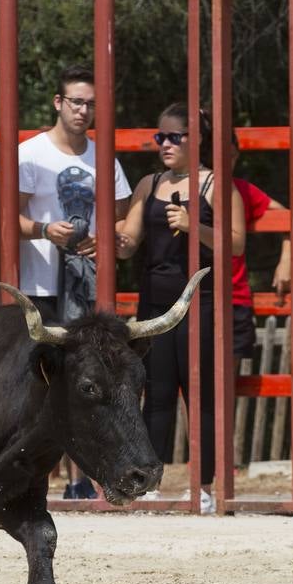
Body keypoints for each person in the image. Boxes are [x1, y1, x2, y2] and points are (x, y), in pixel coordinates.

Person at [117, 103, 246, 515]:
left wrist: (196, 226)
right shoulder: (148, 183)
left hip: (201, 302)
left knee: (201, 396)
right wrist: (107, 236)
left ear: (198, 139)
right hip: (154, 300)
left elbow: (237, 244)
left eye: (175, 137)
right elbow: (129, 242)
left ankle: (204, 485)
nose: (166, 144)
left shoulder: (217, 185)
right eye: (161, 137)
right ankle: (150, 482)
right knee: (154, 395)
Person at [17, 65, 133, 500]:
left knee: (90, 384)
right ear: (58, 103)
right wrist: (45, 231)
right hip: (38, 282)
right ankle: (33, 478)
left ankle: (82, 480)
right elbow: (11, 217)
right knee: (38, 384)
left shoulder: (104, 158)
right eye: (76, 102)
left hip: (86, 287)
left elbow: (121, 217)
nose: (83, 110)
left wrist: (104, 241)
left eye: (90, 104)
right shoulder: (29, 153)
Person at [229, 131, 287, 360]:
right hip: (188, 299)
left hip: (233, 299)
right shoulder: (175, 187)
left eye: (232, 156)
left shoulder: (241, 189)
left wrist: (287, 260)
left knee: (225, 390)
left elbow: (286, 217)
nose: (226, 162)